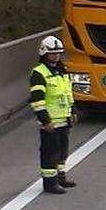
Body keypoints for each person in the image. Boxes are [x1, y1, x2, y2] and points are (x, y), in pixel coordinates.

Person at [29, 36, 76, 195]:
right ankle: (50, 183)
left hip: (64, 119)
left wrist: (73, 110)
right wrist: (45, 120)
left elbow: (67, 93)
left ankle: (60, 177)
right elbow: (37, 101)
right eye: (52, 53)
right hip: (50, 122)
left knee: (63, 151)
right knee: (50, 153)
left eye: (58, 53)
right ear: (44, 54)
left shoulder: (62, 71)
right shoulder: (39, 73)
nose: (56, 56)